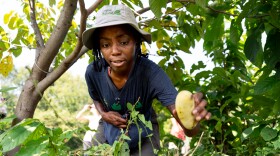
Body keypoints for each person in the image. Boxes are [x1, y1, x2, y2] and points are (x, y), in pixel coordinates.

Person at [82, 4, 211, 155]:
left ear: (136, 42)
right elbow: (96, 98)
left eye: (123, 42)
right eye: (106, 45)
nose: (115, 51)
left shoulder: (151, 74)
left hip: (143, 130)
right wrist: (104, 114)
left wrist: (191, 117)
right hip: (108, 128)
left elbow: (188, 128)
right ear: (99, 48)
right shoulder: (94, 72)